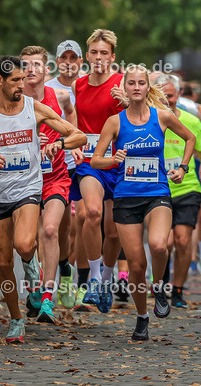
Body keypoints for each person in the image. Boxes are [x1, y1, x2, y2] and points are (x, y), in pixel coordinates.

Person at [0, 55, 85, 344]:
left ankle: (30, 261)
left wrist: (58, 144)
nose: (21, 85)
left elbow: (78, 136)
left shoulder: (34, 107)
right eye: (14, 80)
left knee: (24, 243)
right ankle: (16, 318)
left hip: (27, 189)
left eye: (22, 79)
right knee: (2, 263)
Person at [89, 66, 195, 340]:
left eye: (141, 83)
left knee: (159, 244)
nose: (136, 87)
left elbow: (190, 138)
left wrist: (182, 168)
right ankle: (142, 317)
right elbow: (95, 160)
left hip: (157, 192)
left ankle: (158, 286)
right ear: (125, 88)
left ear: (148, 87)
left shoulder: (162, 116)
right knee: (136, 266)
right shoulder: (115, 122)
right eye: (131, 83)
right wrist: (113, 160)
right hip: (125, 197)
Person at [20, 45, 76, 323]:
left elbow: (71, 117)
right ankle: (33, 282)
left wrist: (64, 145)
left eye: (36, 65)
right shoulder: (12, 101)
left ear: (46, 70)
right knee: (26, 242)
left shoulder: (61, 95)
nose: (31, 70)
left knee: (51, 230)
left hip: (55, 177)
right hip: (22, 181)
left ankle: (47, 298)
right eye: (25, 65)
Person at [72, 29, 126, 313]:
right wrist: (73, 144)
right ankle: (93, 278)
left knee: (114, 231)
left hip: (118, 161)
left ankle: (106, 278)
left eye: (104, 53)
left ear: (112, 57)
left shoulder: (122, 83)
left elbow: (145, 115)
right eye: (94, 52)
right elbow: (75, 120)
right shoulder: (79, 85)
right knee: (91, 213)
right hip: (90, 161)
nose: (98, 57)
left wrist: (128, 102)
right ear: (87, 56)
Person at [156, 74, 201, 308]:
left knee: (183, 240)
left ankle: (177, 291)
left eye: (170, 96)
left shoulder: (191, 121)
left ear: (178, 95)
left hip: (187, 187)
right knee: (164, 243)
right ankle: (160, 283)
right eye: (162, 96)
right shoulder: (152, 119)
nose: (166, 100)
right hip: (158, 188)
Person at [46, 39, 83, 308]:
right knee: (51, 225)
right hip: (54, 161)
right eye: (64, 57)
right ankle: (49, 278)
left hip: (86, 159)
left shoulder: (87, 85)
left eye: (74, 57)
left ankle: (69, 270)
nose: (68, 62)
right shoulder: (48, 89)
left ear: (80, 61)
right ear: (57, 62)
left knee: (75, 223)